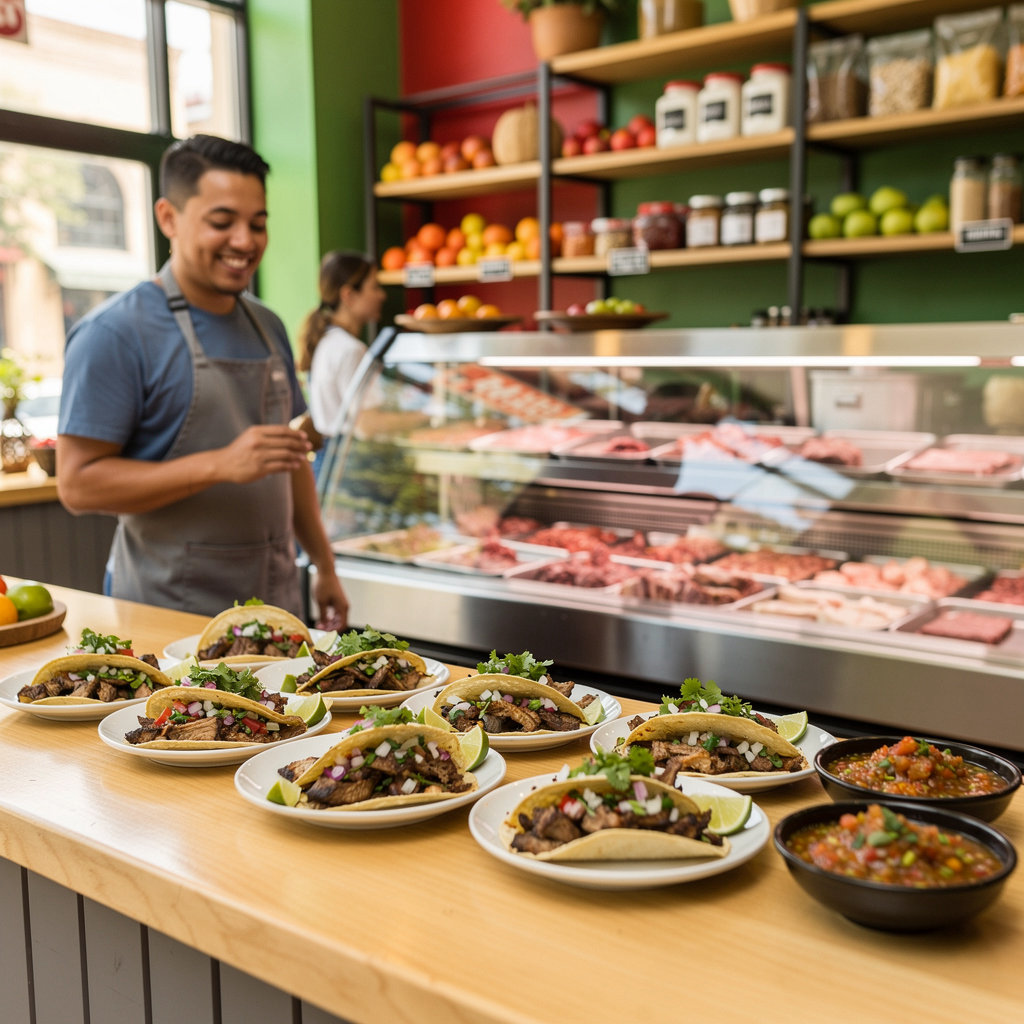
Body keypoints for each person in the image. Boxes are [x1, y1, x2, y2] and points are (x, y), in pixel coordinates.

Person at [56, 134, 349, 626]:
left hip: (275, 610)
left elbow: (289, 458)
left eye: (258, 224)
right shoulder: (115, 333)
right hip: (168, 611)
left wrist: (323, 564)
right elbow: (78, 484)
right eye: (222, 222)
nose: (245, 240)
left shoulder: (267, 324)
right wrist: (219, 464)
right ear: (168, 217)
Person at [297, 250, 386, 479]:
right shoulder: (350, 350)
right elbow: (367, 425)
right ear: (348, 295)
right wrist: (430, 418)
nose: (382, 295)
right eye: (374, 287)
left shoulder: (326, 339)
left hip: (327, 461)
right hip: (352, 466)